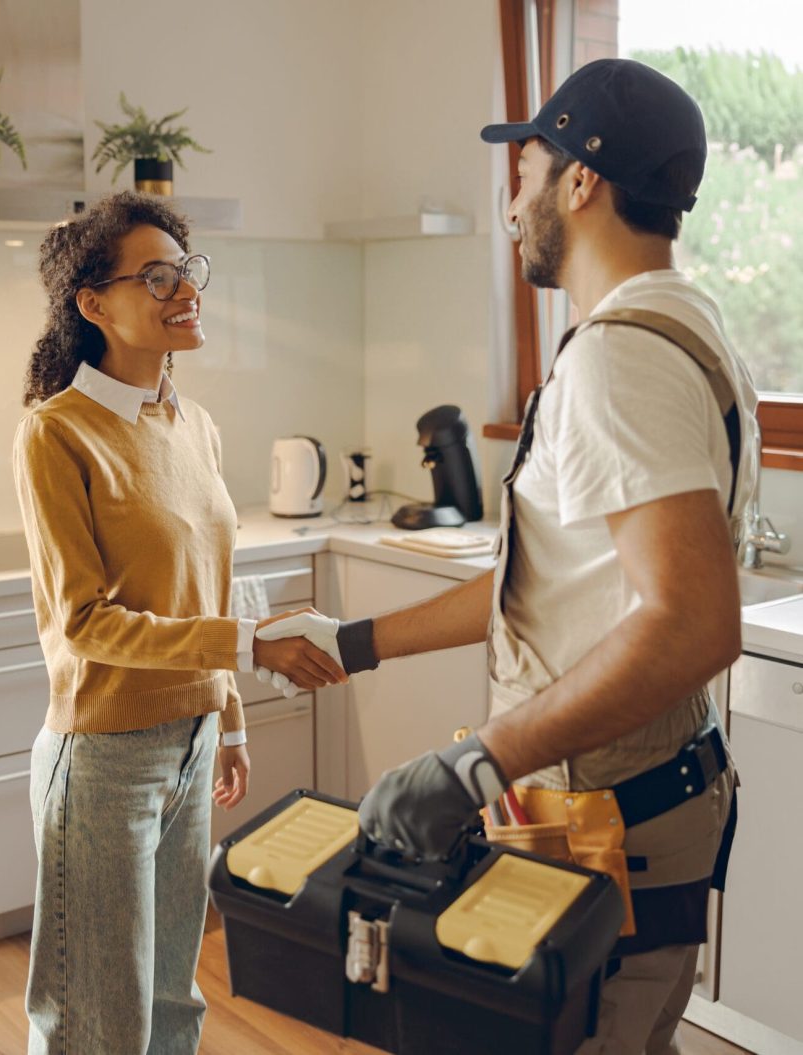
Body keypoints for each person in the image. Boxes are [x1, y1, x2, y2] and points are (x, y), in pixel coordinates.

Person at [258, 59, 759, 1054]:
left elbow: (692, 620)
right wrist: (353, 640)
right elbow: (553, 589)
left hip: (612, 816)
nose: (511, 202)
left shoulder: (617, 357)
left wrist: (475, 762)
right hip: (643, 797)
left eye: (526, 170)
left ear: (581, 182)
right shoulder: (683, 319)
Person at [13, 191, 346, 1055]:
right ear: (94, 305)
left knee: (172, 999)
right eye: (155, 276)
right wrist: (247, 650)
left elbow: (216, 584)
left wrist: (227, 716)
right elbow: (86, 622)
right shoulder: (58, 435)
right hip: (104, 760)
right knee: (97, 1015)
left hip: (194, 741)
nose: (184, 289)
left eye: (187, 270)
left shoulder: (193, 423)